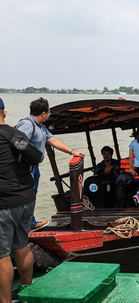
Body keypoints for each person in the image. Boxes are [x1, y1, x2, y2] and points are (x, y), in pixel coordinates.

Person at [16, 97, 85, 230]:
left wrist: (72, 152)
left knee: (32, 194)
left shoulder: (41, 127)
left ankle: (29, 223)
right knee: (26, 195)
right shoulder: (27, 124)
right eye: (49, 112)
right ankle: (25, 224)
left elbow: (53, 140)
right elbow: (18, 143)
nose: (49, 114)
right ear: (43, 113)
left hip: (34, 168)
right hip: (26, 168)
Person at [0, 98, 36, 302]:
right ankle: (26, 291)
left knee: (1, 254)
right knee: (21, 245)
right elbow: (35, 157)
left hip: (4, 203)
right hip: (26, 199)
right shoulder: (17, 133)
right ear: (5, 113)